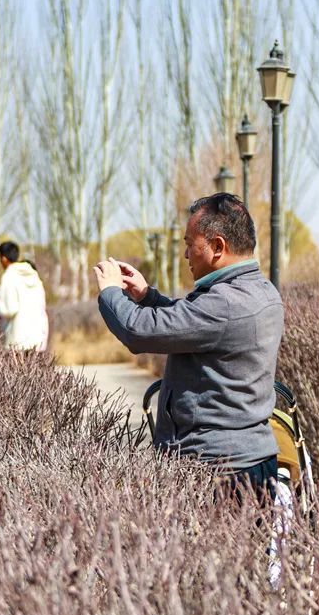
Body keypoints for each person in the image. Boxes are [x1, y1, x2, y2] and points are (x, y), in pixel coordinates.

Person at [94, 193, 284, 500]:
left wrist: (110, 292)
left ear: (218, 246)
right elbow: (195, 324)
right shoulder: (259, 290)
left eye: (189, 243)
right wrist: (147, 297)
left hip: (218, 471)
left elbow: (137, 331)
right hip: (248, 462)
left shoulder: (224, 302)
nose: (185, 254)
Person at [0, 241, 49, 351]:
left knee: (18, 362)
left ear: (4, 258)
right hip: (37, 335)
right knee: (33, 361)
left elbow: (8, 309)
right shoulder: (33, 275)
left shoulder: (9, 275)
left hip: (18, 338)